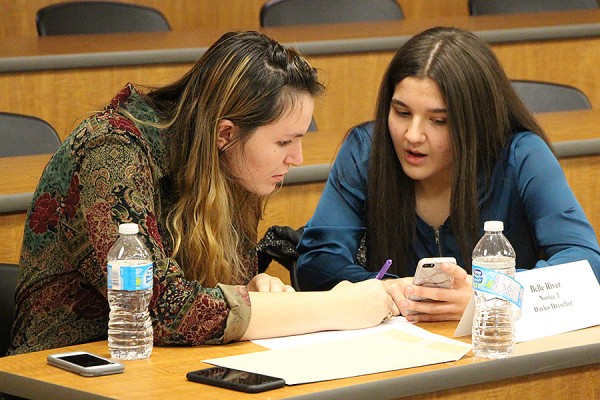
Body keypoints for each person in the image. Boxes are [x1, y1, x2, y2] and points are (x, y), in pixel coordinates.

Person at [8, 31, 396, 355]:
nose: (297, 158)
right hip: (63, 375)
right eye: (284, 142)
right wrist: (332, 307)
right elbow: (159, 309)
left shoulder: (227, 166)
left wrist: (251, 291)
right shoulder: (111, 153)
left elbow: (211, 299)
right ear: (225, 133)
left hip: (166, 369)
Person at [296, 26, 600, 322]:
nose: (413, 135)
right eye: (402, 113)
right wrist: (387, 288)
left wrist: (489, 293)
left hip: (498, 345)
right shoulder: (366, 151)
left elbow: (586, 264)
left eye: (438, 120)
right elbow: (318, 263)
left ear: (475, 123)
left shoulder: (522, 155)